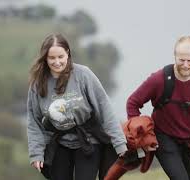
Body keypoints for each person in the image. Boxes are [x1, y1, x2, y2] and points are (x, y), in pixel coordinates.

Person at [27, 33, 127, 180]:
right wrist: (36, 153)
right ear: (45, 58)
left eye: (60, 57)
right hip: (58, 143)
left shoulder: (83, 75)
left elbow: (104, 107)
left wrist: (119, 143)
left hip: (88, 139)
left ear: (67, 53)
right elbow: (33, 121)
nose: (57, 62)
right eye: (52, 58)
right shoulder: (38, 84)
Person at [126, 36, 190, 180]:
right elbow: (133, 103)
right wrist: (142, 138)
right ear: (175, 57)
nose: (185, 65)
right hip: (163, 138)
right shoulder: (160, 79)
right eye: (181, 60)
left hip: (189, 141)